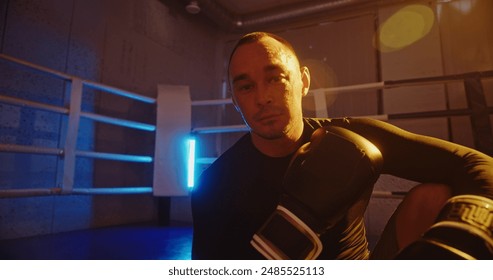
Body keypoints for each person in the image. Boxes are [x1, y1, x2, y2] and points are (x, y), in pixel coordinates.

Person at [191, 32, 493, 260]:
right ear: (234, 98)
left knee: (434, 197)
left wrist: (467, 231)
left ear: (303, 81)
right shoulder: (215, 184)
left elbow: (476, 164)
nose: (262, 97)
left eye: (276, 78)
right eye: (246, 86)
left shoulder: (351, 137)